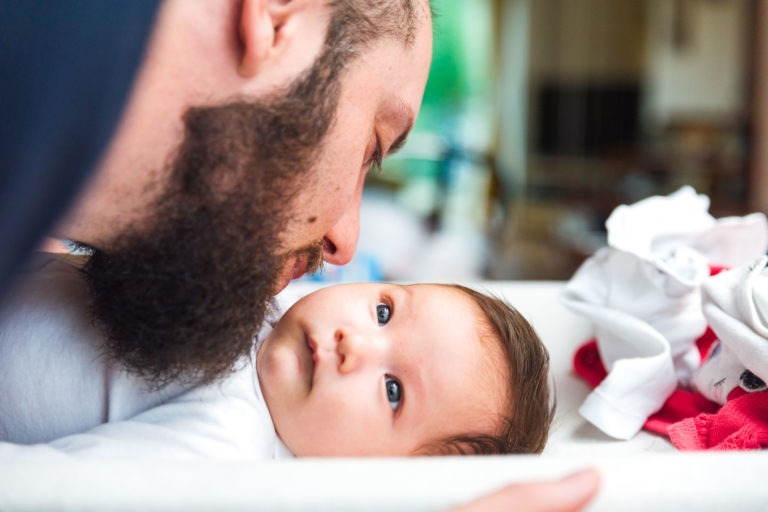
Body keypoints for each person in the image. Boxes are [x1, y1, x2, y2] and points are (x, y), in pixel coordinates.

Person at [1, 0, 600, 508]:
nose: (345, 245)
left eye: (393, 392)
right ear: (278, 14)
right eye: (372, 147)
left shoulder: (227, 440)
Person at [0, 251, 552, 460]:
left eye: (393, 390)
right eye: (383, 313)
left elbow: (55, 487)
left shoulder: (228, 439)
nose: (354, 343)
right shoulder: (270, 302)